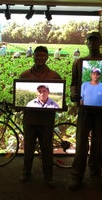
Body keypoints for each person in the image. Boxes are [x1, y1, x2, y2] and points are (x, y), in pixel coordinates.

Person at [19, 46, 62, 188]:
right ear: (33, 56)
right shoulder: (25, 75)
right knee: (28, 148)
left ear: (47, 57)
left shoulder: (54, 76)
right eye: (37, 55)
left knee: (47, 149)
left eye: (43, 56)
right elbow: (19, 100)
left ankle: (48, 176)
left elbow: (62, 99)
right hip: (30, 119)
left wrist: (62, 105)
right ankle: (26, 172)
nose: (39, 58)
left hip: (47, 121)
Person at [69, 31, 102, 191]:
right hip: (84, 110)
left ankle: (96, 174)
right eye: (90, 40)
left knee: (99, 144)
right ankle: (77, 177)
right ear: (86, 43)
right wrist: (74, 94)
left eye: (95, 40)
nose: (92, 43)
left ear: (100, 43)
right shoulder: (79, 62)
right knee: (81, 144)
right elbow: (74, 82)